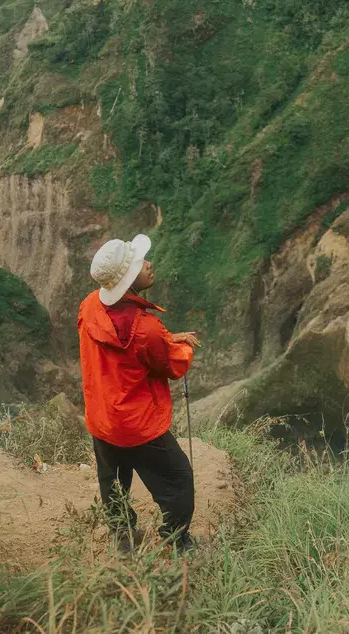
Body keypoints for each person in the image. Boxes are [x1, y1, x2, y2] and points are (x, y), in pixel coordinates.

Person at [77, 234, 201, 553]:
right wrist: (182, 346)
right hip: (138, 424)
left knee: (114, 482)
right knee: (178, 479)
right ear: (130, 280)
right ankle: (177, 539)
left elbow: (123, 351)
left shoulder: (90, 307)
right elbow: (169, 365)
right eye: (140, 263)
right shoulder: (146, 329)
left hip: (102, 416)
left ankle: (124, 537)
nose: (148, 264)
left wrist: (167, 337)